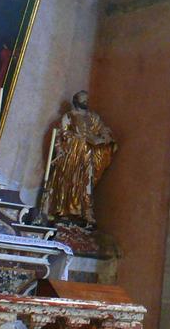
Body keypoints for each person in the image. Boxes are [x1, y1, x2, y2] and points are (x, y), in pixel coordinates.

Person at [45, 91, 117, 229]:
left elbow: (103, 129)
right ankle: (64, 211)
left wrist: (103, 138)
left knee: (86, 182)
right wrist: (61, 148)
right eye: (83, 100)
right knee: (68, 180)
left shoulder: (93, 117)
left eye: (86, 100)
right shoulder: (69, 116)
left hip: (87, 152)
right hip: (71, 153)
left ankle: (86, 213)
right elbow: (60, 134)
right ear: (76, 101)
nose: (85, 102)